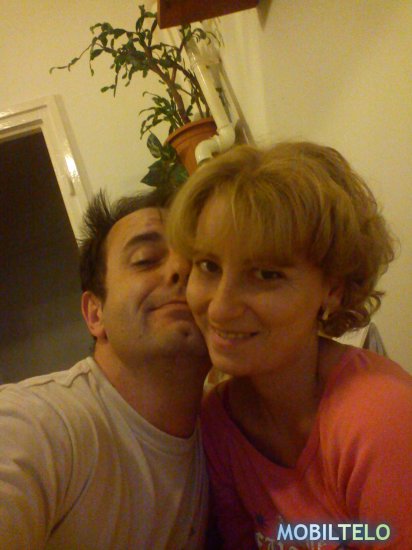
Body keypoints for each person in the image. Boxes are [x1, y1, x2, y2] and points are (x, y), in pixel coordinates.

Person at [167, 142, 412, 549]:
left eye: (266, 274)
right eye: (208, 266)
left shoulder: (380, 419)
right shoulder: (219, 422)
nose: (221, 308)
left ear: (332, 289)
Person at [0, 189, 211, 549]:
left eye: (200, 264)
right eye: (146, 259)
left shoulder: (227, 432)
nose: (181, 270)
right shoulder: (37, 423)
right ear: (95, 314)